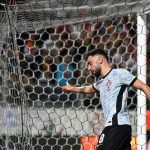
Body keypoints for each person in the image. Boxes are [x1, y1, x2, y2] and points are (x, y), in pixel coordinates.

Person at [61, 48, 150, 150]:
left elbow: (144, 87)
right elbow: (89, 89)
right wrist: (72, 89)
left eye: (90, 63)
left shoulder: (120, 74)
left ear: (100, 60)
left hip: (117, 125)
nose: (88, 68)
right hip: (117, 127)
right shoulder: (100, 83)